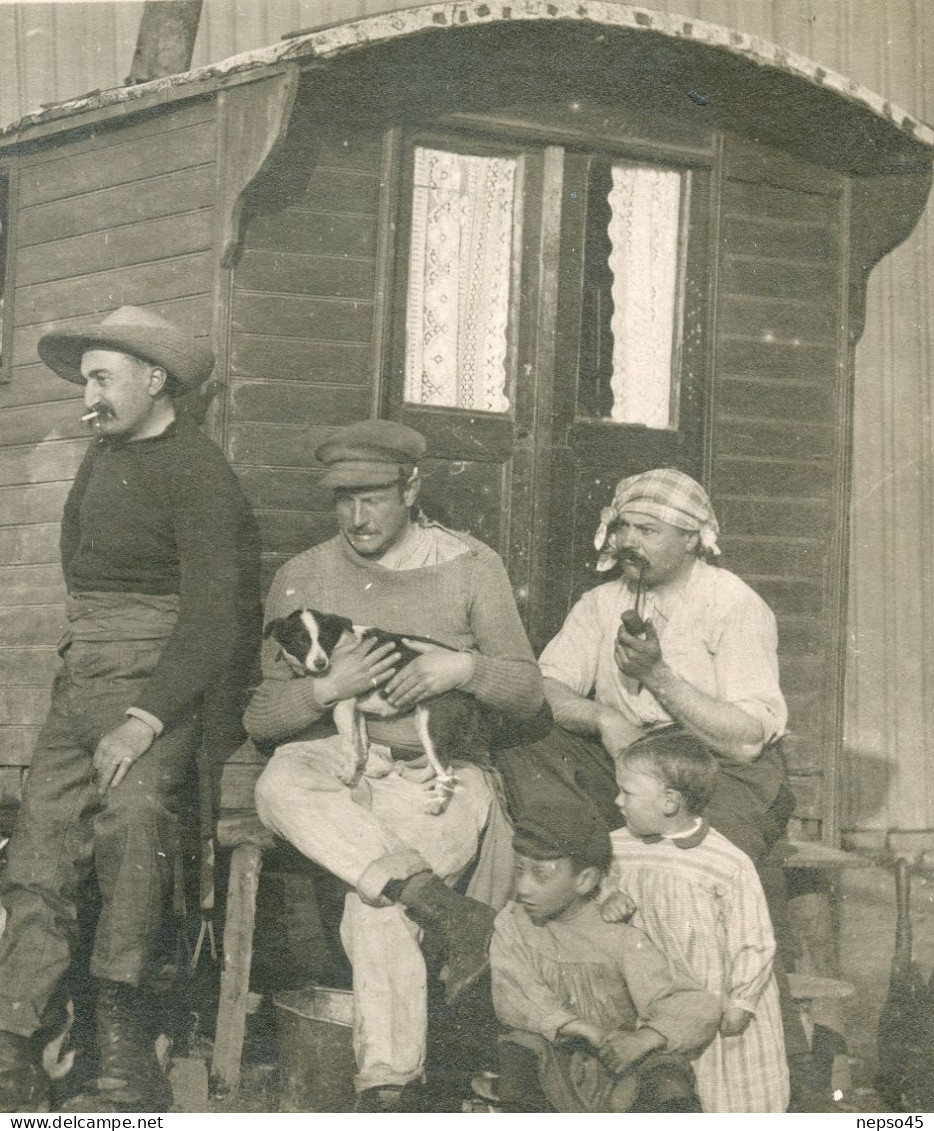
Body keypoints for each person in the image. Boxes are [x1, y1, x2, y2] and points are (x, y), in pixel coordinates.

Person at [0, 307, 262, 1113]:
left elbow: (217, 614)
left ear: (156, 380)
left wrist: (145, 718)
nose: (90, 395)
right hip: (82, 679)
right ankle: (14, 1041)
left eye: (102, 377)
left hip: (157, 685)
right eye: (86, 380)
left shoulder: (201, 473)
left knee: (136, 823)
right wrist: (86, 685)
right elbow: (81, 570)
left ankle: (122, 1046)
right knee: (39, 841)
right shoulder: (100, 458)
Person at [244, 418, 544, 1112]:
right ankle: (439, 904)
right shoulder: (304, 575)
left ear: (412, 486)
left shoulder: (471, 565)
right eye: (342, 500)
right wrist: (327, 687)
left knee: (373, 902)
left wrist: (463, 666)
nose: (356, 517)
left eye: (373, 497)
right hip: (338, 762)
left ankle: (388, 1090)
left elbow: (527, 691)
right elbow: (260, 718)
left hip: (440, 772)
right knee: (280, 779)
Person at [495, 466, 813, 1099]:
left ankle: (682, 1047)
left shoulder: (733, 605)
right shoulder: (601, 602)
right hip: (629, 756)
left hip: (720, 767)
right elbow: (546, 686)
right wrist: (606, 718)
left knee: (684, 871)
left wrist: (661, 677)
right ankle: (578, 1013)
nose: (628, 542)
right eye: (623, 527)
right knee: (529, 748)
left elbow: (748, 735)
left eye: (648, 529)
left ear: (693, 539)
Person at [603, 727, 789, 1112]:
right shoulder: (617, 847)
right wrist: (608, 899)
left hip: (716, 998)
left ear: (670, 801)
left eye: (628, 792)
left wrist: (741, 1000)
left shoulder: (725, 861)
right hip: (651, 996)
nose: (617, 800)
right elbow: (594, 890)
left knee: (724, 1090)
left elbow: (753, 939)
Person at [488, 804, 718, 1112]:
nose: (523, 887)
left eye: (540, 874)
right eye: (519, 870)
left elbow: (692, 1002)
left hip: (620, 1063)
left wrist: (645, 1040)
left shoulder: (619, 936)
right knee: (521, 1050)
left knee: (668, 1077)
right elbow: (517, 995)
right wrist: (582, 1028)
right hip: (555, 1059)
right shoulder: (513, 924)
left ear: (584, 880)